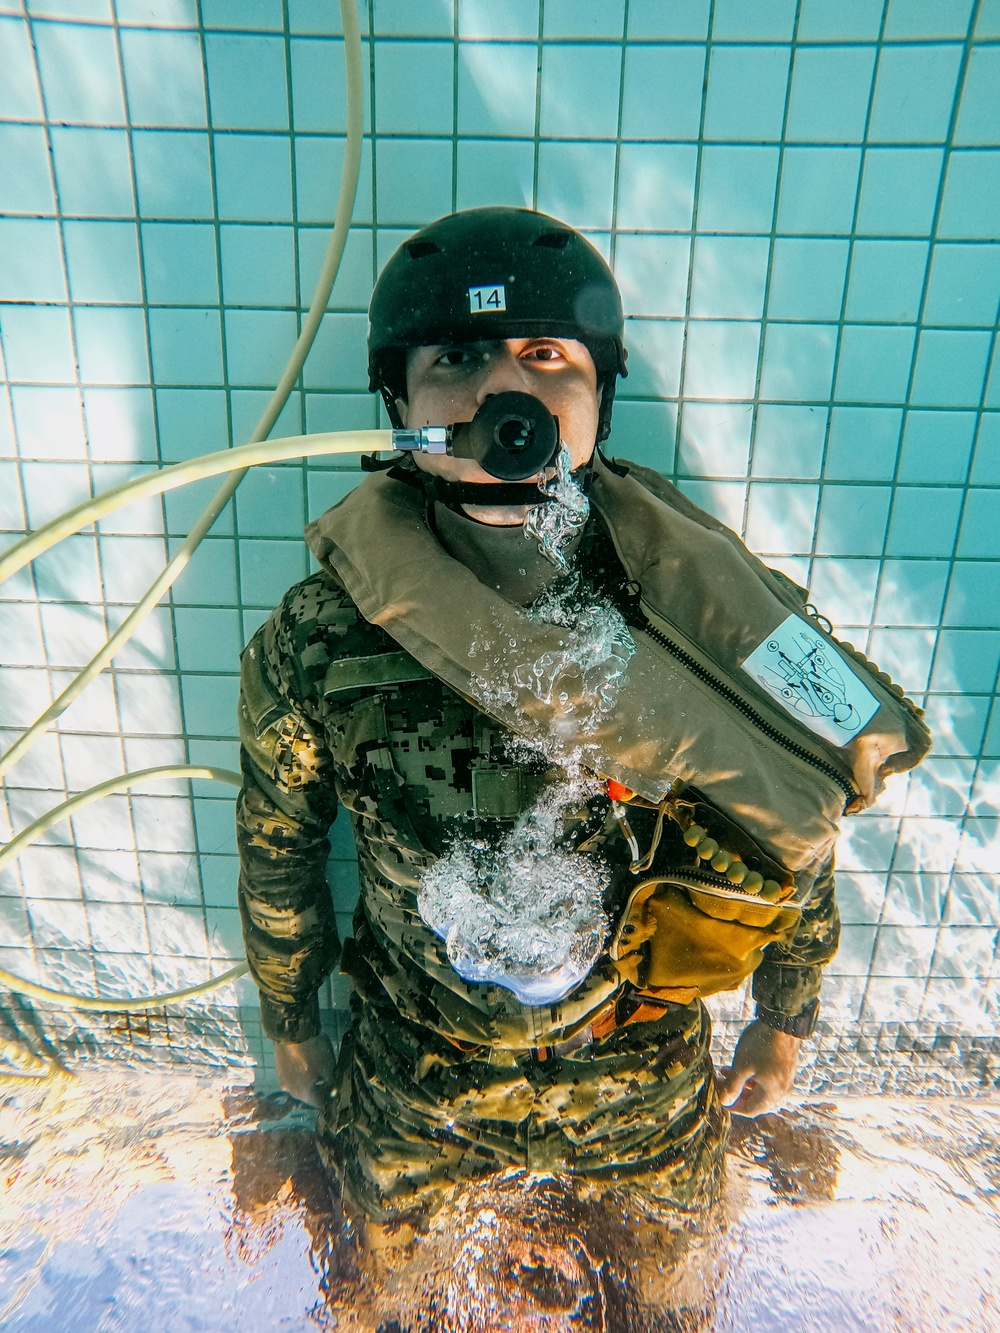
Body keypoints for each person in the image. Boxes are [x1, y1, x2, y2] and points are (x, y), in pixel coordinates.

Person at [236, 207, 928, 1229]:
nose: (503, 388)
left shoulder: (708, 610)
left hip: (642, 1066)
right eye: (459, 356)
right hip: (416, 1076)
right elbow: (279, 844)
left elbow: (793, 812)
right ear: (400, 399)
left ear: (598, 391)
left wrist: (784, 1017)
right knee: (374, 1281)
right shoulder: (323, 633)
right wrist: (291, 1020)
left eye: (545, 353)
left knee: (671, 1284)